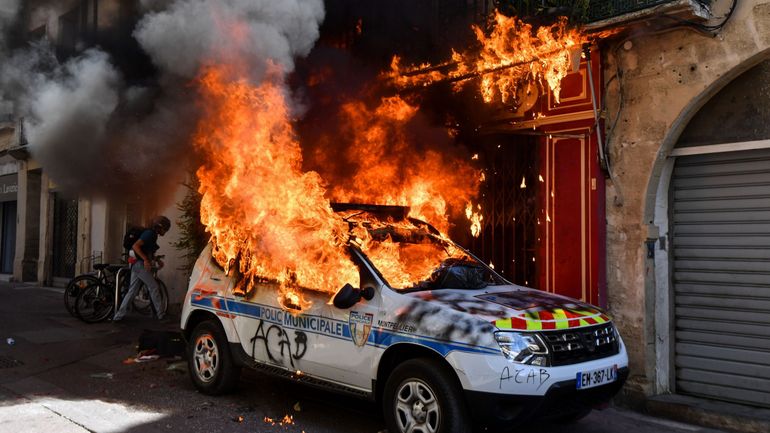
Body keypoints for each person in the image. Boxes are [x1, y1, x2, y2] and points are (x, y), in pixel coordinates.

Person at [113, 215, 171, 322]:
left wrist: (156, 260)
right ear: (160, 227)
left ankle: (118, 316)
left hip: (136, 263)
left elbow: (146, 250)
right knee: (154, 287)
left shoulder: (152, 234)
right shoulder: (150, 234)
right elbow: (136, 246)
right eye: (165, 229)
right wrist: (145, 260)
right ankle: (161, 315)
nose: (165, 231)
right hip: (139, 264)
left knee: (132, 291)